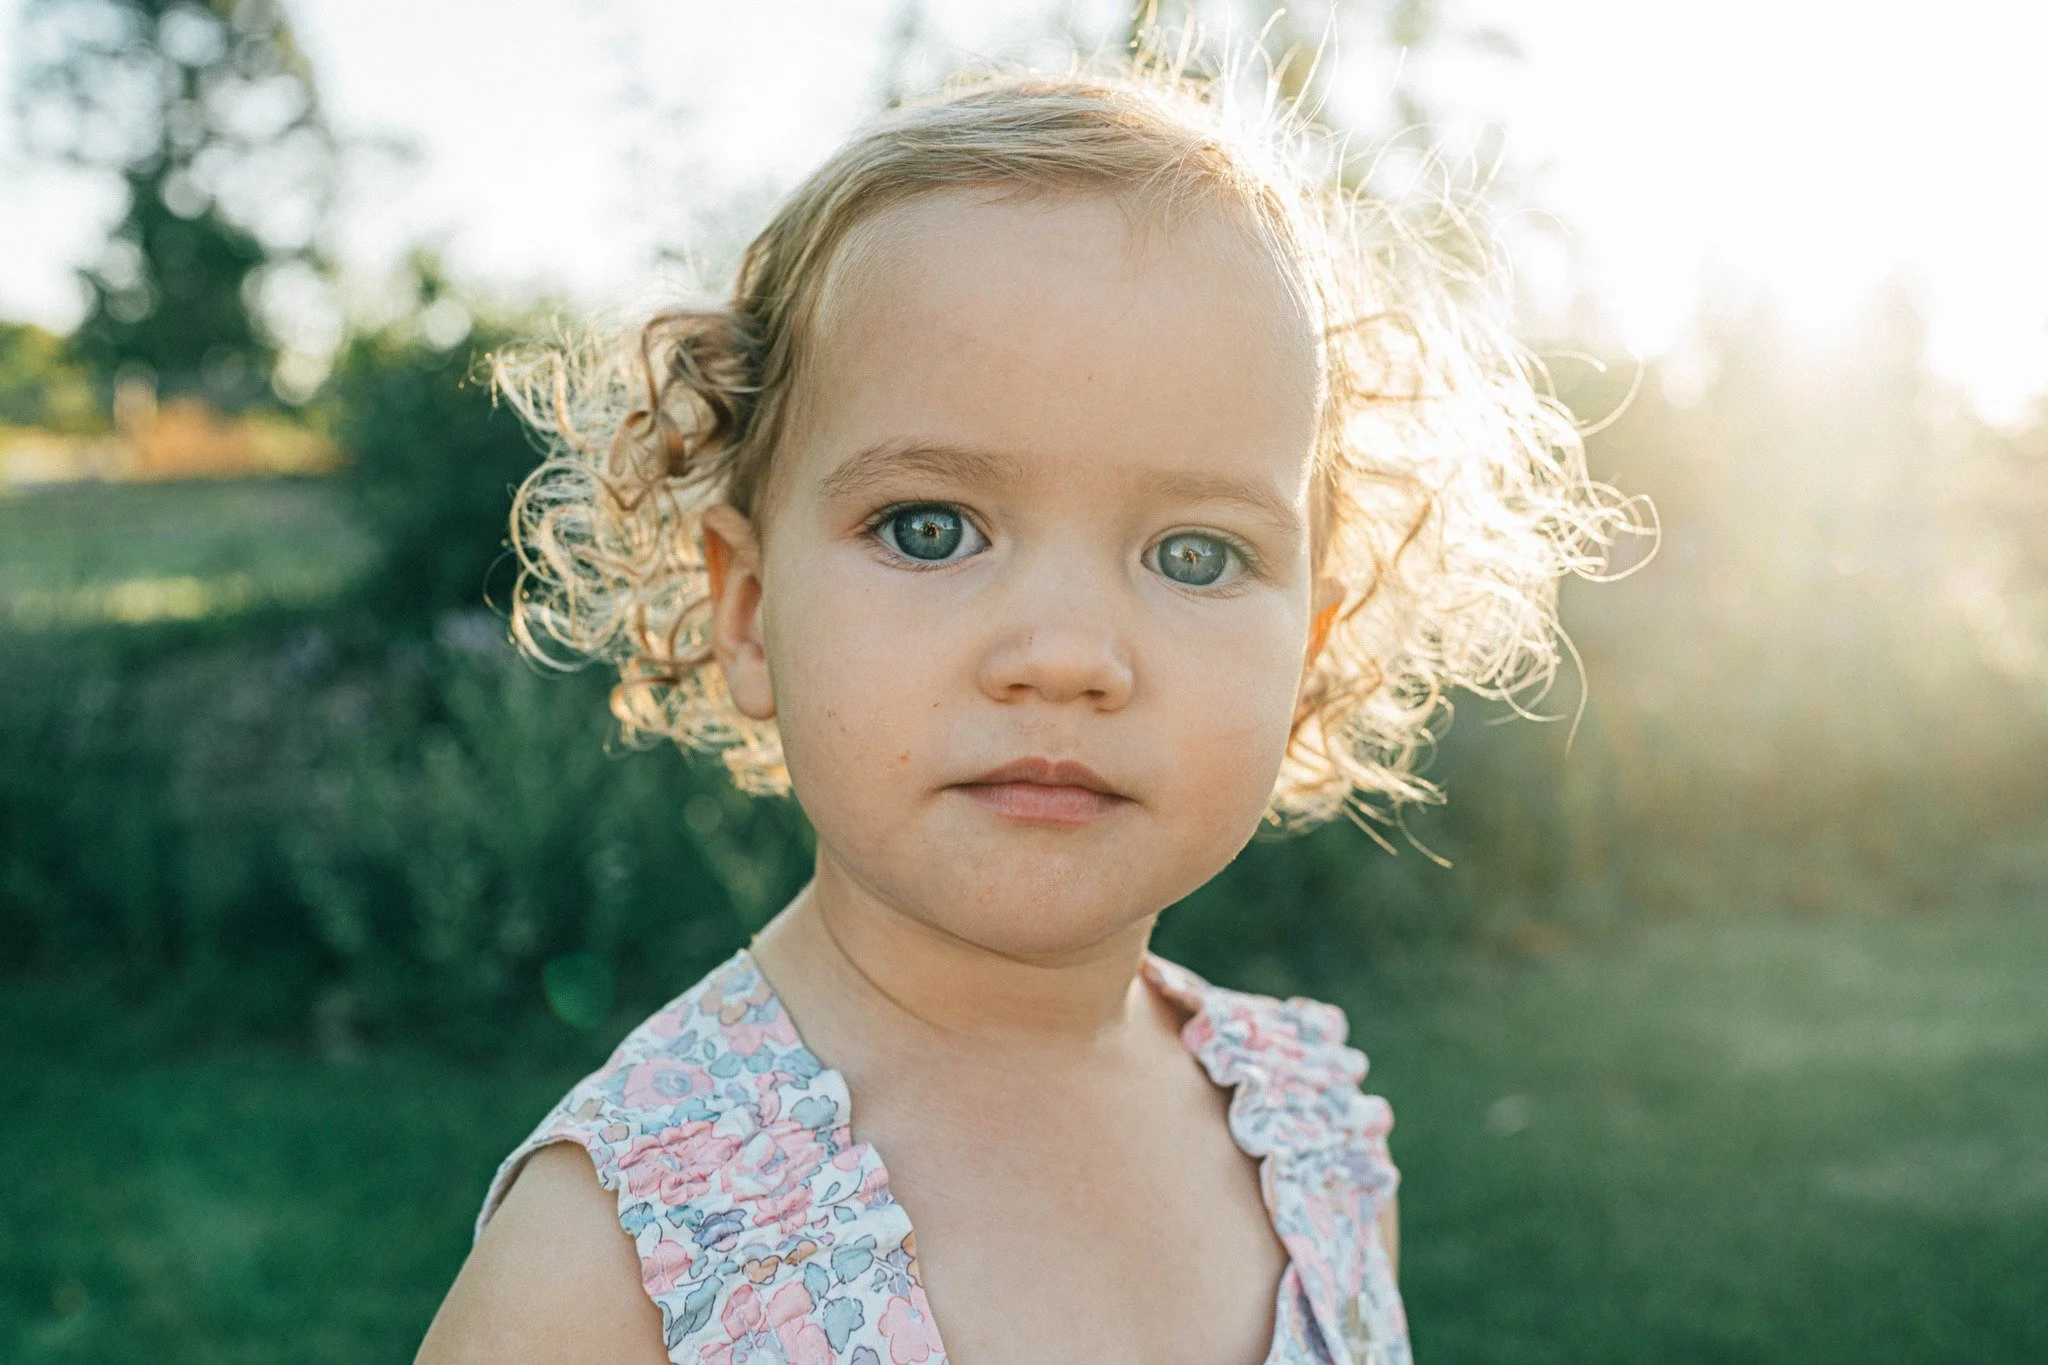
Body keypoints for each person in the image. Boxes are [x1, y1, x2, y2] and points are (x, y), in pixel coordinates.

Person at [415, 45, 1631, 1365]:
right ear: (750, 608)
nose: (1065, 655)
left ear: (1311, 647)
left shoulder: (1317, 1151)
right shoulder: (614, 1267)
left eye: (1197, 554)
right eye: (931, 528)